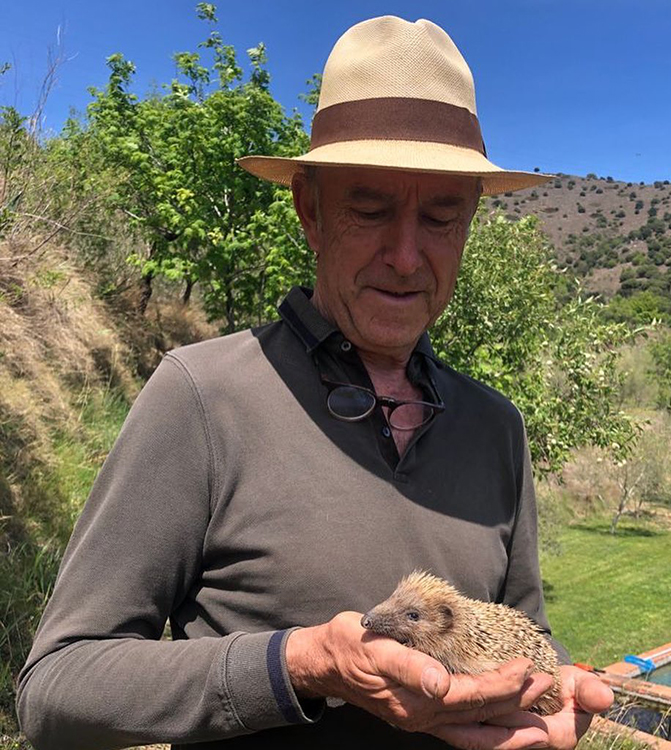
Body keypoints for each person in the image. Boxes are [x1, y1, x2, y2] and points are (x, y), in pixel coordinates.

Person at [17, 15, 613, 750]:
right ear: (310, 209)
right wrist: (300, 666)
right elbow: (57, 688)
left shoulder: (497, 427)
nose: (406, 256)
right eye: (370, 209)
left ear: (470, 223)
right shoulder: (203, 396)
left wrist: (555, 688)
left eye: (441, 215)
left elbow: (523, 636)